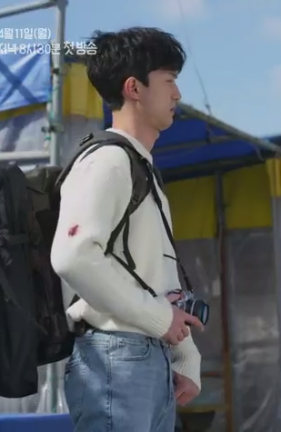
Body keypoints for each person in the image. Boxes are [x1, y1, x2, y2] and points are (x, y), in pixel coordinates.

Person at [50, 27, 204, 432]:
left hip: (144, 357)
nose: (177, 94)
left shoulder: (139, 167)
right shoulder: (107, 161)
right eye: (169, 80)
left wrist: (185, 355)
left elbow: (157, 275)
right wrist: (159, 319)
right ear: (134, 88)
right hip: (116, 357)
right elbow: (73, 255)